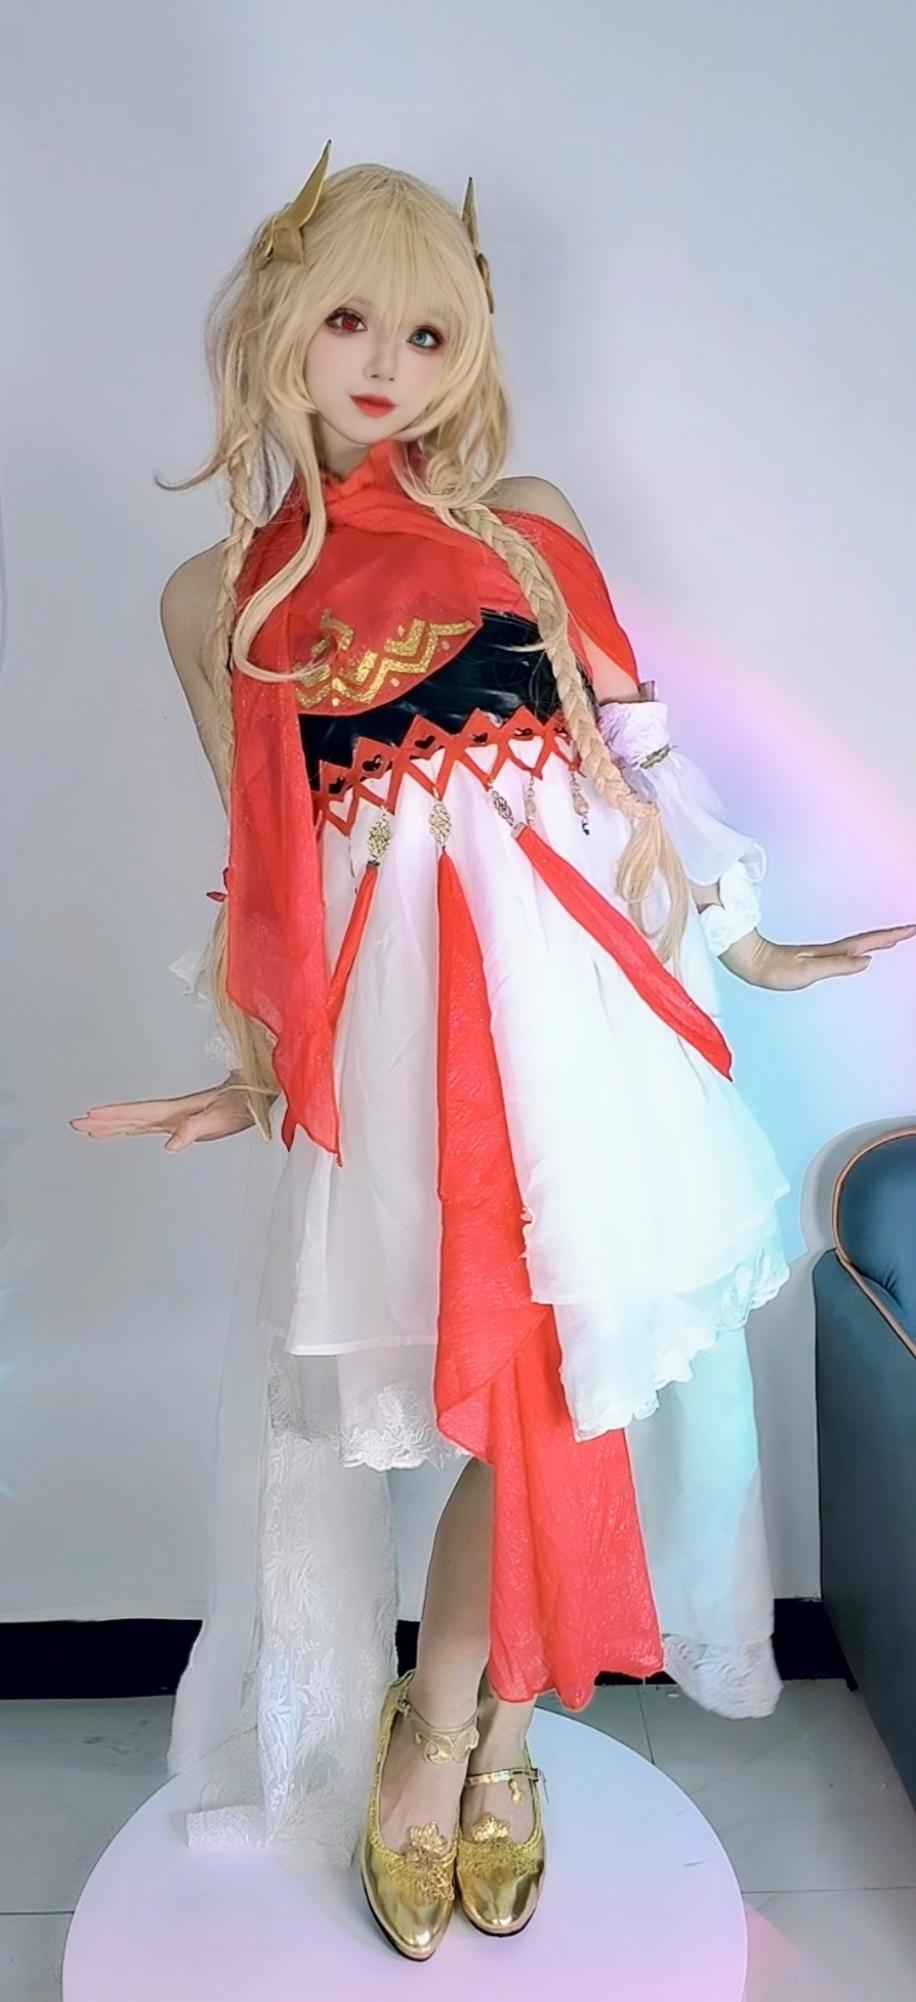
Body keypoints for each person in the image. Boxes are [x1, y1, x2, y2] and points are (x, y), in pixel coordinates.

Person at [70, 145, 915, 1962]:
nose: (387, 363)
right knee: (513, 1386)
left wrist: (755, 943)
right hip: (403, 1053)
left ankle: (465, 1729)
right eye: (350, 321)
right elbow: (267, 868)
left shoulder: (526, 523)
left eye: (429, 332)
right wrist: (247, 1064)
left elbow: (643, 769)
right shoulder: (219, 599)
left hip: (578, 1032)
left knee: (565, 1384)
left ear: (473, 351)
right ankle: (470, 1730)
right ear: (278, 328)